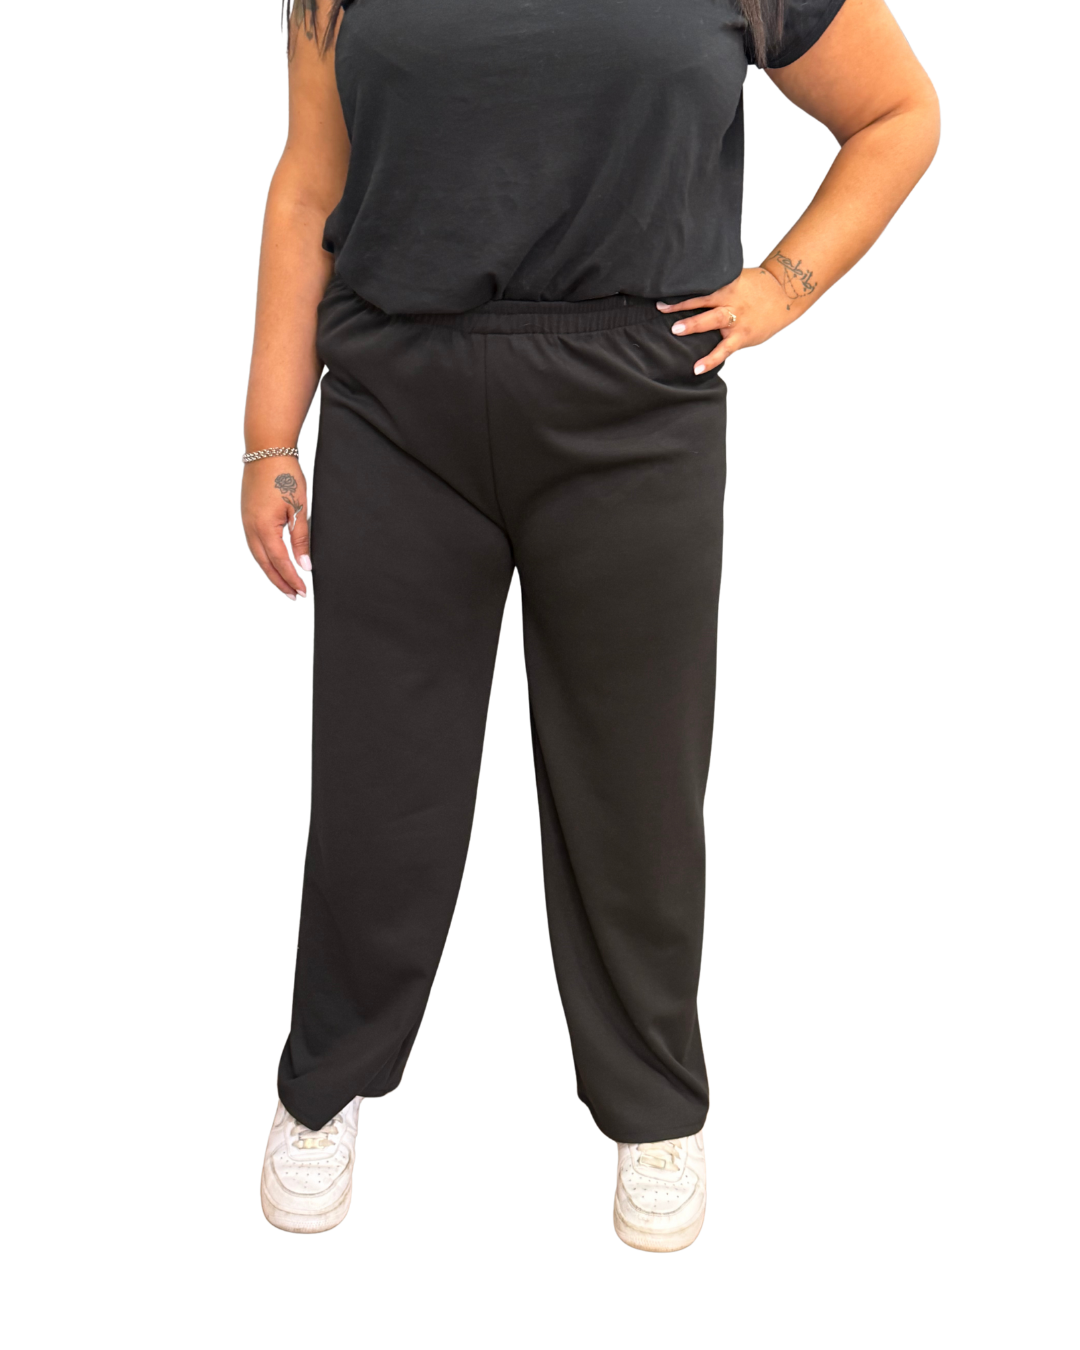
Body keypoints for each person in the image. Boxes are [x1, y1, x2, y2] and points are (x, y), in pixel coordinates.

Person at [245, 0, 940, 1246]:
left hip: (635, 408)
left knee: (638, 787)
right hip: (397, 405)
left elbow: (899, 112)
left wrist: (780, 289)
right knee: (374, 782)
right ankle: (325, 1082)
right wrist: (266, 438)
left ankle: (657, 1106)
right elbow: (308, 184)